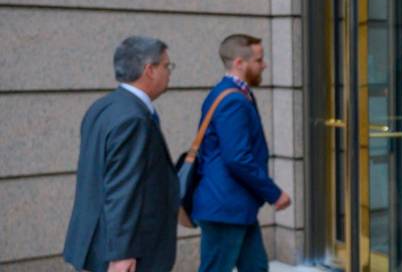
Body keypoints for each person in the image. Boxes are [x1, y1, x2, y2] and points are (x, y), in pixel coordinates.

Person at [63, 36, 179, 272]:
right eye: (167, 66)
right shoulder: (133, 118)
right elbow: (122, 188)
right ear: (150, 70)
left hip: (100, 240)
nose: (169, 72)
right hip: (129, 252)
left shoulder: (104, 106)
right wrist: (122, 253)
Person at [190, 34, 290, 272]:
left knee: (255, 268)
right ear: (239, 63)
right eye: (259, 60)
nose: (264, 65)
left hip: (235, 205)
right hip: (225, 207)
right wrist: (274, 193)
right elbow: (237, 158)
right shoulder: (232, 100)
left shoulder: (233, 93)